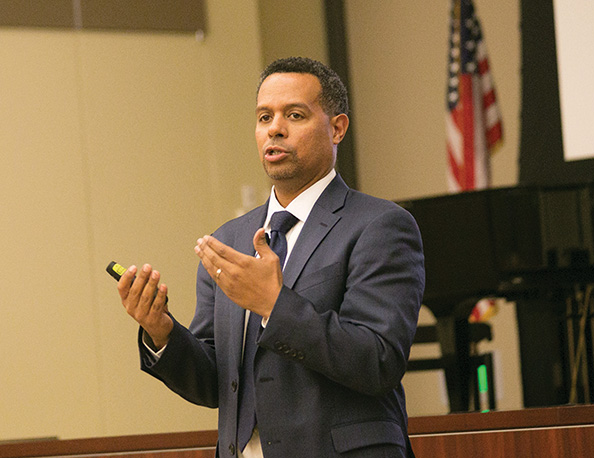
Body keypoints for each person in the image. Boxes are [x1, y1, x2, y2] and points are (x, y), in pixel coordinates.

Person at [117, 57, 425, 458]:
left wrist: (274, 305)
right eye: (264, 117)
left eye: (294, 115)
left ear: (337, 128)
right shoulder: (230, 240)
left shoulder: (380, 226)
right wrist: (162, 332)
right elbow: (215, 381)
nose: (275, 128)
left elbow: (378, 361)